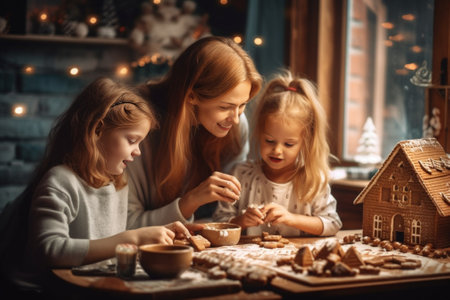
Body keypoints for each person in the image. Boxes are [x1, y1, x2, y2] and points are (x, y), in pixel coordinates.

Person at [0, 78, 197, 294]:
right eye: (132, 140)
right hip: (49, 292)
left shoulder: (118, 183)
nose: (138, 152)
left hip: (92, 287)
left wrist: (158, 233)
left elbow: (117, 235)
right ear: (98, 130)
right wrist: (132, 239)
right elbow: (48, 248)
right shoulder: (61, 181)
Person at [126, 36, 263, 228]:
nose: (236, 118)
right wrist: (189, 203)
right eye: (225, 107)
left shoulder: (236, 126)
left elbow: (226, 215)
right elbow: (124, 225)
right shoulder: (135, 126)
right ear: (191, 96)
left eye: (242, 105)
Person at [212, 71, 342, 236]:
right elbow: (218, 222)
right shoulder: (241, 175)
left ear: (305, 143)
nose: (277, 150)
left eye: (288, 144)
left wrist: (291, 218)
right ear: (259, 134)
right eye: (269, 141)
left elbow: (332, 224)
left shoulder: (313, 180)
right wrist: (242, 221)